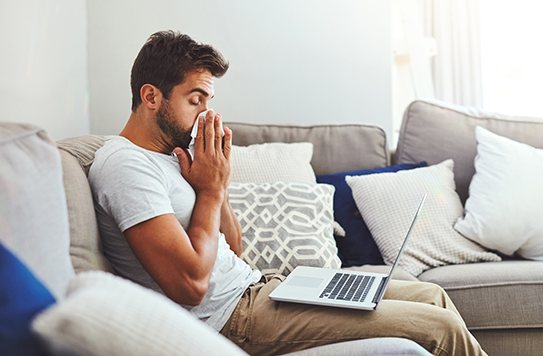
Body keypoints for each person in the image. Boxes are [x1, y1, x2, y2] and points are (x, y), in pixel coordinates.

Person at [88, 30, 488, 356]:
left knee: (432, 296)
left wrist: (219, 183)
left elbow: (232, 248)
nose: (208, 114)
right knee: (440, 329)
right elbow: (190, 287)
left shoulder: (175, 156)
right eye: (196, 99)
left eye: (210, 100)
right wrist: (209, 191)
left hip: (263, 287)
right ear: (151, 96)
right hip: (232, 320)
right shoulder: (125, 166)